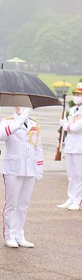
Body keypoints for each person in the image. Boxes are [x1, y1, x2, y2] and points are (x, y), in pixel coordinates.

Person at [0, 108, 43, 248]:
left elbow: (37, 146)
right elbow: (1, 136)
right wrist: (20, 121)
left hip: (29, 168)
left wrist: (39, 167)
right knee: (11, 203)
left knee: (23, 204)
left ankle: (19, 234)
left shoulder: (34, 123)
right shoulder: (7, 121)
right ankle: (9, 235)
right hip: (13, 168)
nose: (22, 107)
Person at [58, 83, 82, 211]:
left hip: (80, 147)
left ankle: (78, 200)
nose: (76, 96)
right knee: (71, 174)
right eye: (76, 94)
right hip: (71, 145)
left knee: (79, 175)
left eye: (79, 95)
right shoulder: (73, 110)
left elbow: (76, 127)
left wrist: (65, 124)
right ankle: (71, 197)